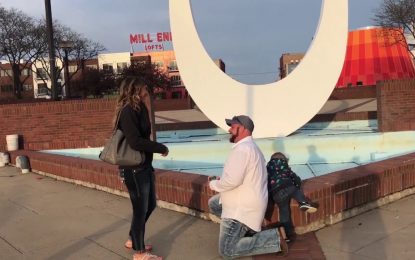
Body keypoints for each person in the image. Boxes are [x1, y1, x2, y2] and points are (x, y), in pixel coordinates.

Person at [208, 115, 288, 259]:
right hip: (247, 198)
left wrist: (213, 184)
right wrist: (222, 180)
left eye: (233, 127)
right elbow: (236, 177)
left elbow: (231, 181)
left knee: (226, 251)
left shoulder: (242, 150)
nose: (229, 129)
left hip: (241, 207)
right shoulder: (250, 147)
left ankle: (274, 239)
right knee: (214, 204)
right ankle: (245, 232)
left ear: (244, 129)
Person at [115, 78, 169, 260]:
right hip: (134, 169)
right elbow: (135, 141)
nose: (147, 89)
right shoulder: (128, 111)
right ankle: (140, 253)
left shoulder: (140, 109)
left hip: (143, 166)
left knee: (150, 205)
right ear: (137, 90)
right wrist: (160, 147)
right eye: (144, 86)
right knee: (140, 209)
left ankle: (133, 239)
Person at [266, 152, 317, 242]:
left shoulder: (268, 170)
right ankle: (303, 202)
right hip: (288, 186)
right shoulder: (286, 169)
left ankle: (287, 234)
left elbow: (266, 183)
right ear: (284, 161)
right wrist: (297, 186)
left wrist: (270, 196)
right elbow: (297, 179)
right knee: (296, 191)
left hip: (277, 194)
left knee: (284, 212)